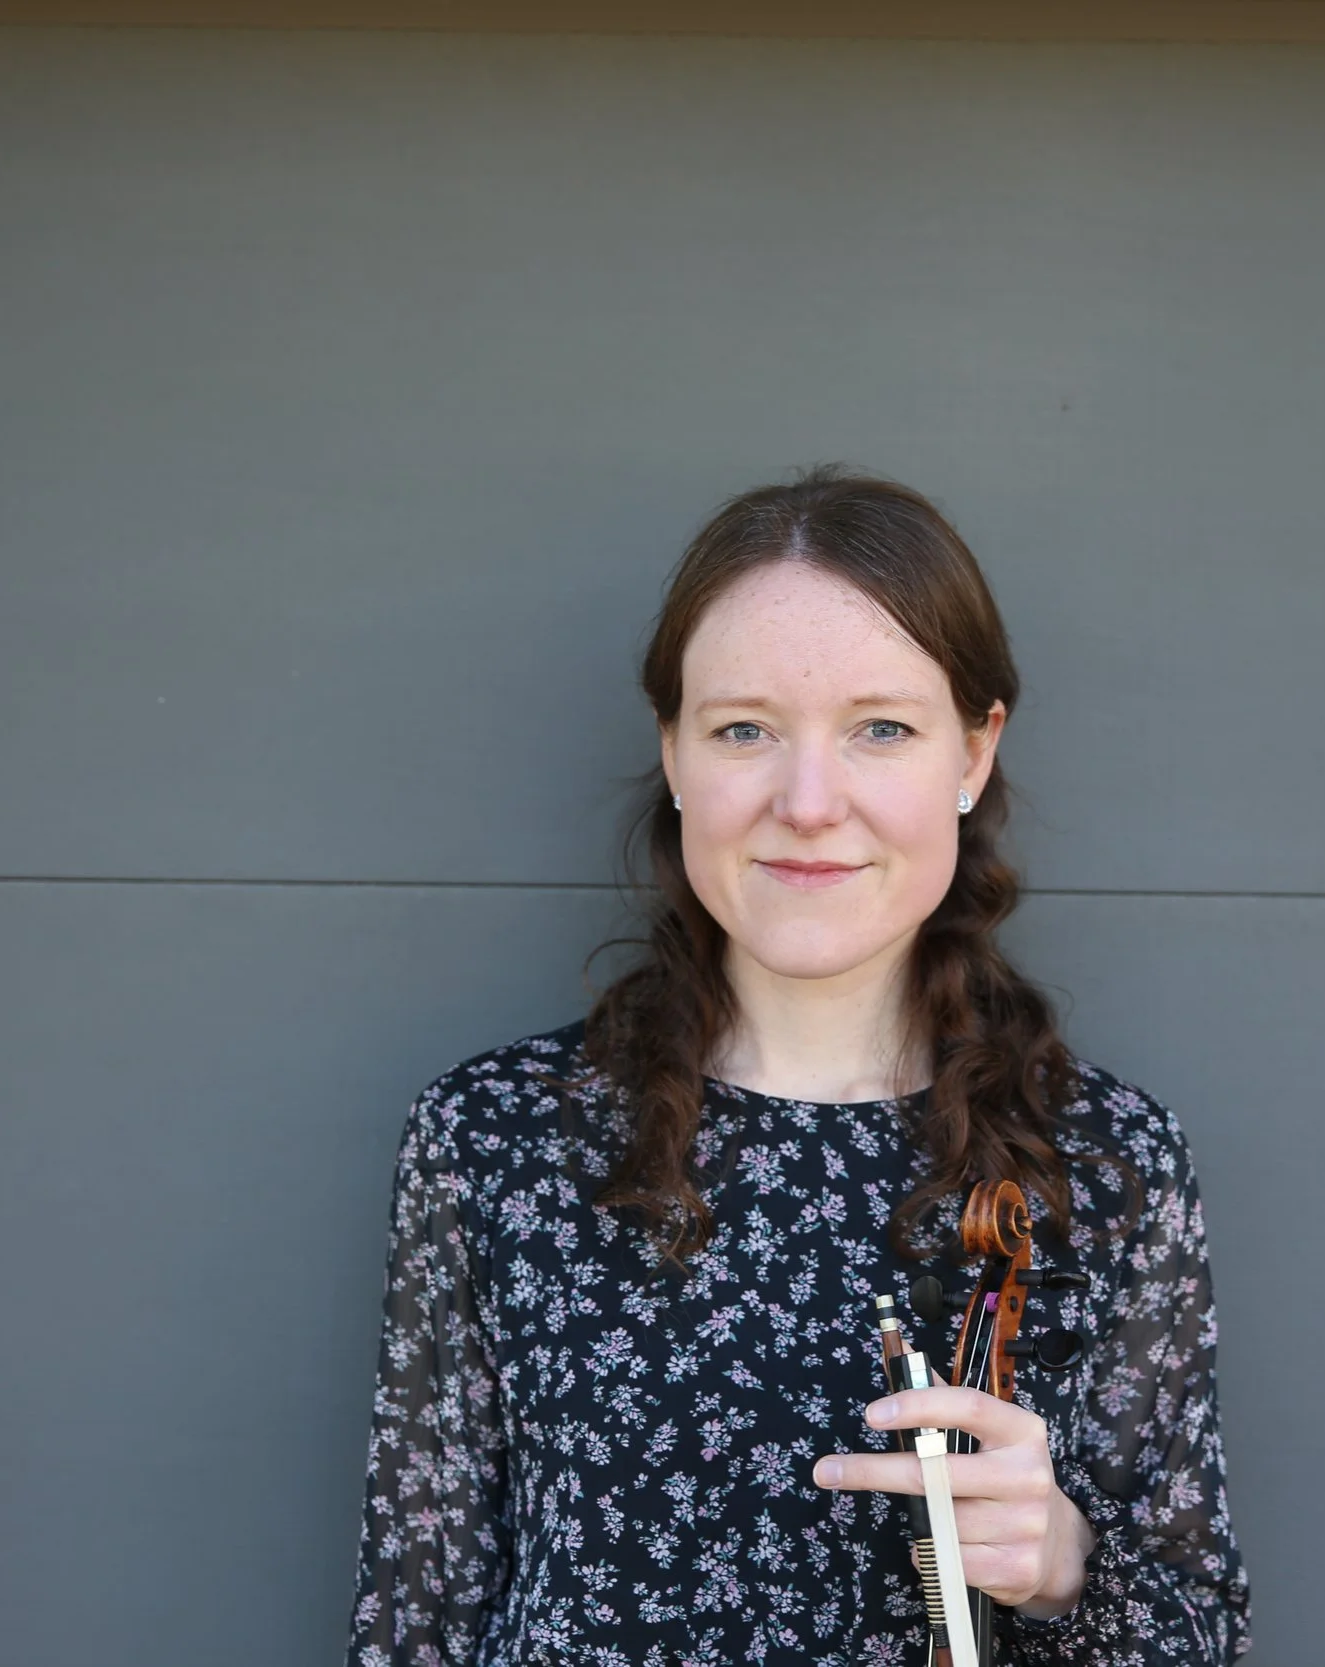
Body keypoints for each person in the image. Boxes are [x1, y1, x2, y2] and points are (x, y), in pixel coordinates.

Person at [345, 465, 1251, 1665]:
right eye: (743, 729)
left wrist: (1064, 1564)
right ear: (673, 752)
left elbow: (1200, 1633)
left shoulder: (1106, 1159)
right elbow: (415, 1619)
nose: (809, 802)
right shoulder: (495, 1135)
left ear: (974, 753)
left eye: (882, 727)